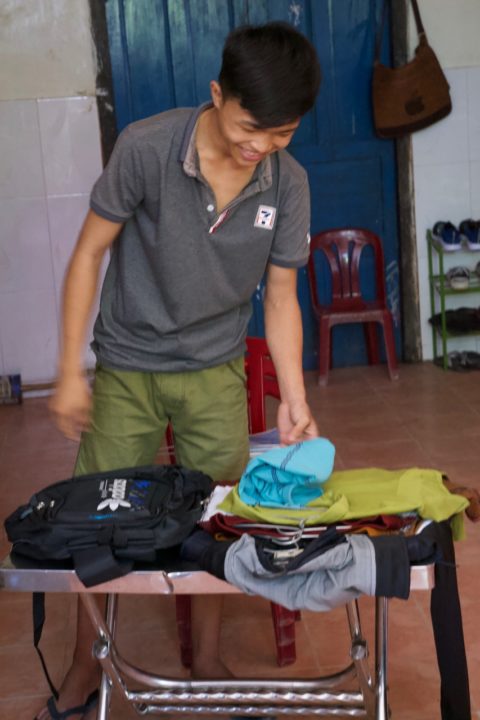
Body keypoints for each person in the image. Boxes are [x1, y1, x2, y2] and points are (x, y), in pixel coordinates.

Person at [38, 21, 321, 720]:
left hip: (215, 367)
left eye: (281, 134)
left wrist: (296, 395)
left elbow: (281, 297)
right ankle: (85, 663)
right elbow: (87, 256)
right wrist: (70, 368)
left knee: (214, 516)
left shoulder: (287, 185)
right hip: (129, 364)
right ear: (217, 94)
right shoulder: (146, 147)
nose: (260, 147)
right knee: (97, 517)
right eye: (250, 126)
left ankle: (208, 657)